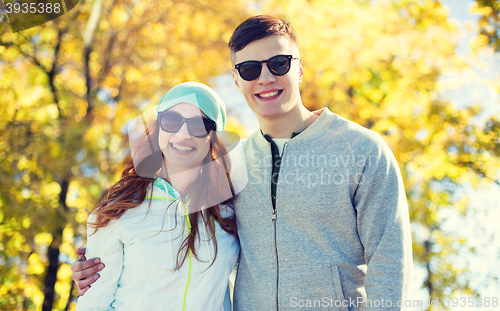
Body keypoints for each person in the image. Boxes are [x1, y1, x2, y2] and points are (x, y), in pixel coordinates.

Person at [73, 16, 412, 310]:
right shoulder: (230, 168)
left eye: (278, 63)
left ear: (300, 68)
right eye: (249, 69)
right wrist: (96, 271)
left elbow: (389, 259)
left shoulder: (360, 150)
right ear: (237, 81)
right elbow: (171, 229)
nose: (265, 78)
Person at [75, 82, 240, 311]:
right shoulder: (119, 210)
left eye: (199, 124)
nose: (183, 134)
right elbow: (94, 304)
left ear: (213, 138)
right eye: (171, 121)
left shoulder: (230, 213)